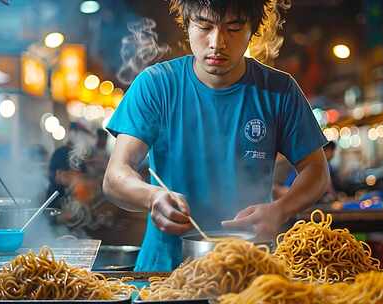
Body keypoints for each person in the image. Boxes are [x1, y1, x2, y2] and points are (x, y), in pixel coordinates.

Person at [103, 0, 330, 272]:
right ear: (186, 25)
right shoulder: (156, 85)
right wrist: (152, 197)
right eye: (204, 26)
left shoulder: (280, 91)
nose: (217, 42)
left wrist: (281, 209)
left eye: (233, 28)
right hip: (163, 270)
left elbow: (316, 171)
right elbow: (116, 175)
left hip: (250, 268)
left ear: (253, 30)